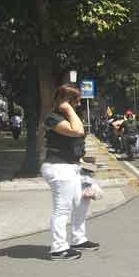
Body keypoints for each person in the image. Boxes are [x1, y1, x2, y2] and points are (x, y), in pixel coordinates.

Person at [41, 84, 99, 261]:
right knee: (62, 208)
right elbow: (77, 131)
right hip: (58, 168)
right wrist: (66, 107)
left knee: (82, 201)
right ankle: (58, 248)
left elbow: (77, 140)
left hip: (72, 166)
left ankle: (78, 239)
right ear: (67, 101)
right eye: (76, 100)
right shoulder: (52, 118)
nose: (79, 104)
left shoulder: (71, 116)